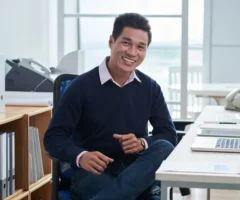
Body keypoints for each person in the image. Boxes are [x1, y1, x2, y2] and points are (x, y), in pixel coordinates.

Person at [44, 12, 177, 200]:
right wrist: (81, 156)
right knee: (135, 191)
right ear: (111, 41)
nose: (132, 52)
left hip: (135, 168)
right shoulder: (81, 87)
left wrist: (142, 143)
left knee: (163, 146)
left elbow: (169, 135)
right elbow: (53, 138)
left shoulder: (150, 88)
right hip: (93, 173)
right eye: (126, 43)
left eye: (141, 47)